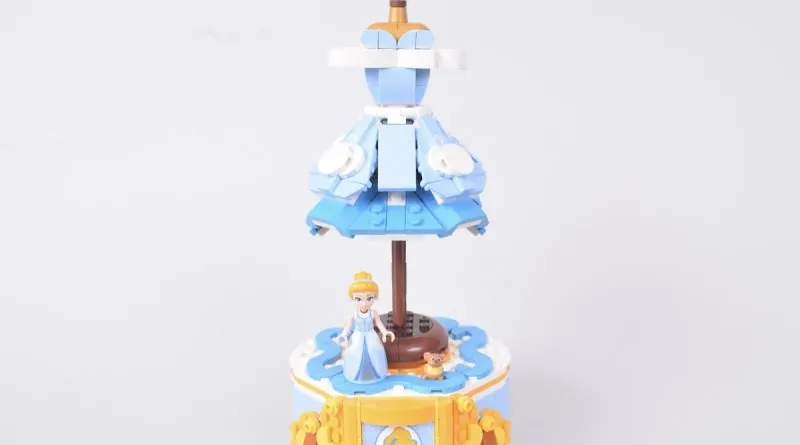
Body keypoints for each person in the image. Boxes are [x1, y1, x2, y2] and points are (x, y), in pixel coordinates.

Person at [335, 271, 395, 383]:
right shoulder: (354, 315)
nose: (364, 303)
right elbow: (348, 327)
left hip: (371, 336)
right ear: (353, 298)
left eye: (369, 298)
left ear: (374, 297)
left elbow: (379, 324)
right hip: (357, 337)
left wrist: (385, 332)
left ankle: (377, 374)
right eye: (358, 299)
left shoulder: (373, 313)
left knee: (375, 352)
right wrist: (343, 335)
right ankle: (354, 375)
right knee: (354, 353)